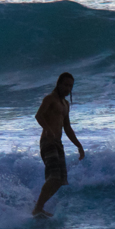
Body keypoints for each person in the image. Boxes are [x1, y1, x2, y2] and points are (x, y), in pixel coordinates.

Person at [32, 72, 85, 217]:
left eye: (71, 86)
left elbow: (67, 128)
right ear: (59, 84)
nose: (68, 88)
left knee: (60, 181)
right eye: (66, 85)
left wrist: (79, 146)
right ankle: (37, 208)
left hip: (58, 143)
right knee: (54, 177)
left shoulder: (66, 104)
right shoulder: (50, 99)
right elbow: (38, 115)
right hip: (48, 142)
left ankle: (39, 206)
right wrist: (48, 129)